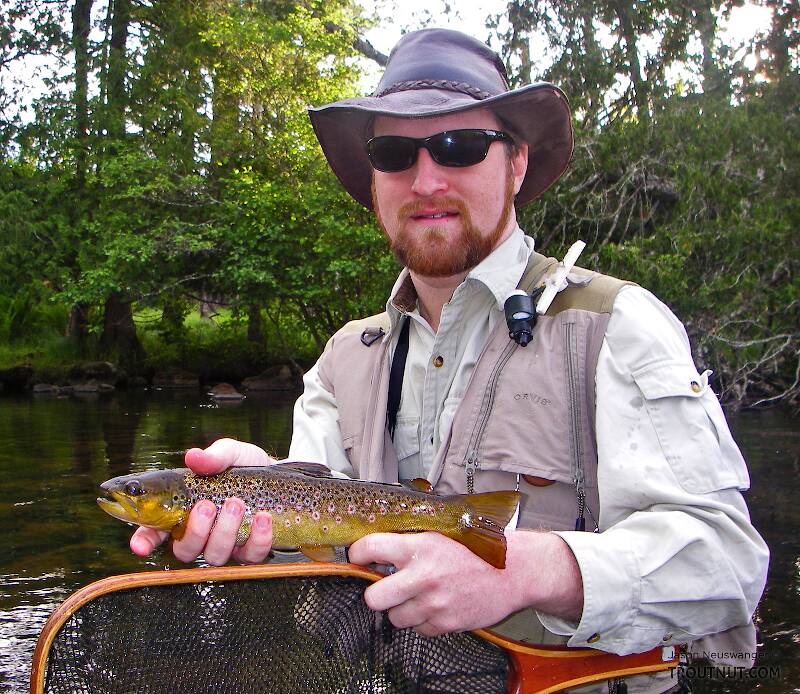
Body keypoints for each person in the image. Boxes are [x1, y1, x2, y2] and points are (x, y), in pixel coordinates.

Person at [131, 29, 768, 692]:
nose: (426, 178)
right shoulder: (342, 359)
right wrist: (258, 495)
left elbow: (729, 567)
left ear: (516, 165)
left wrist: (532, 570)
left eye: (459, 147)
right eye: (395, 152)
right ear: (375, 177)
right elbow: (315, 534)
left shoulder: (616, 326)